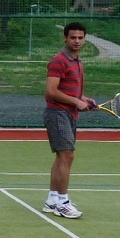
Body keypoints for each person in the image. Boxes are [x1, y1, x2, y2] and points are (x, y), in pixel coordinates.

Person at [42, 22, 96, 219]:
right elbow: (51, 91)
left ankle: (53, 200)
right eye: (73, 37)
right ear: (65, 38)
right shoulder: (59, 61)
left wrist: (83, 99)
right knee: (67, 155)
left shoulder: (77, 61)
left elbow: (70, 90)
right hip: (57, 114)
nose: (77, 41)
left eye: (80, 38)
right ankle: (63, 203)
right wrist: (76, 101)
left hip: (68, 114)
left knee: (61, 157)